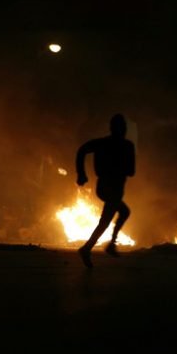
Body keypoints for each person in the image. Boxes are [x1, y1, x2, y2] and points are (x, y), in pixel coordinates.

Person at [75, 114, 135, 268]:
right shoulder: (112, 144)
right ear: (113, 128)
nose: (122, 130)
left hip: (112, 188)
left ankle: (97, 246)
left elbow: (131, 171)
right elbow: (82, 151)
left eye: (123, 127)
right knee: (107, 220)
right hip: (108, 188)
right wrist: (81, 173)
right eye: (120, 127)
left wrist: (82, 173)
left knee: (122, 213)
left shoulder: (121, 145)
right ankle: (93, 248)